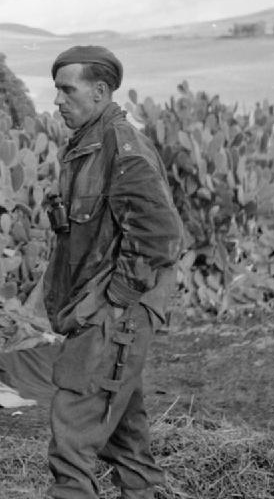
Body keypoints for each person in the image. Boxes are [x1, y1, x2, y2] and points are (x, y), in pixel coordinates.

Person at [44, 45, 184, 499]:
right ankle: (141, 490)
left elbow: (160, 235)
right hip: (103, 301)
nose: (59, 101)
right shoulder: (88, 144)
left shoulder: (121, 148)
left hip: (116, 306)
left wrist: (117, 299)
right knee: (121, 421)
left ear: (101, 91)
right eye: (57, 91)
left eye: (68, 90)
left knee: (74, 424)